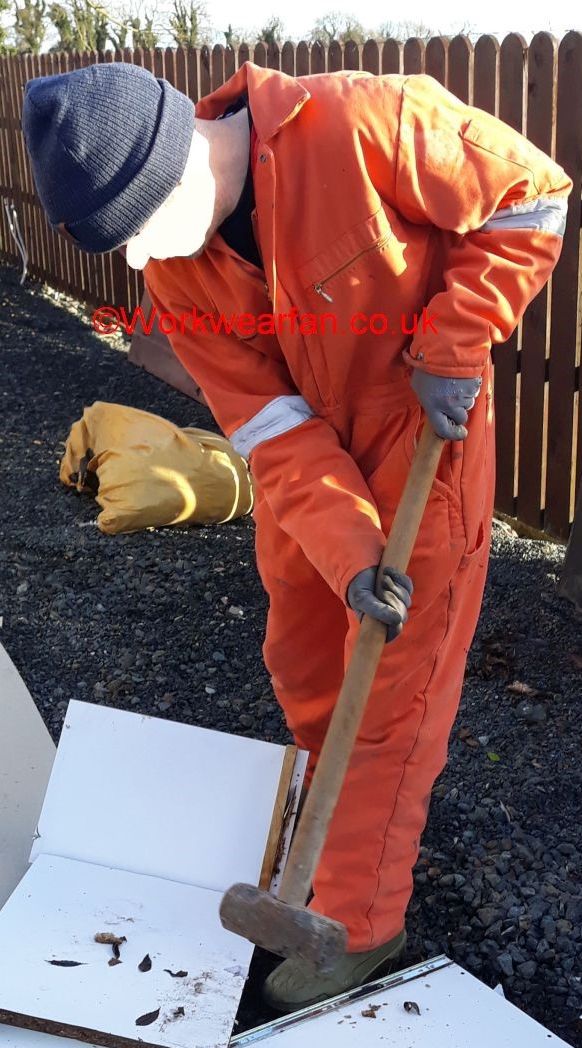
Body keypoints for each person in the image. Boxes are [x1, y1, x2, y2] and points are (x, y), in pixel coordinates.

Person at [22, 59, 571, 1013]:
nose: (141, 263)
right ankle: (331, 826)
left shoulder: (359, 125)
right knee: (308, 666)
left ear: (178, 158)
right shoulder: (182, 274)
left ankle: (360, 923)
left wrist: (458, 337)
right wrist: (351, 555)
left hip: (418, 445)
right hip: (310, 480)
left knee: (391, 701)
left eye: (141, 230)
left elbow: (531, 195)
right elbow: (271, 429)